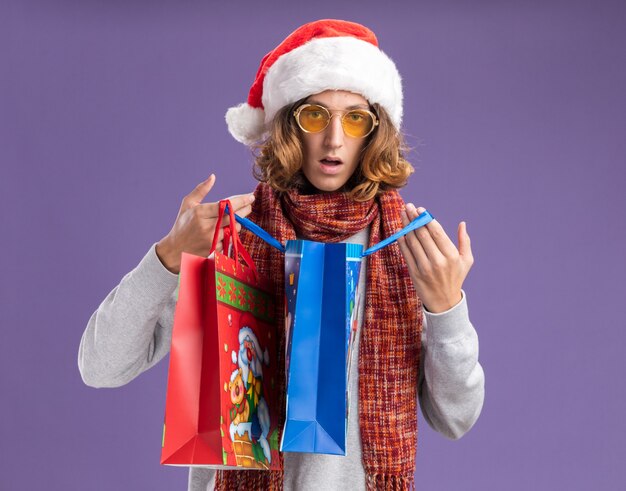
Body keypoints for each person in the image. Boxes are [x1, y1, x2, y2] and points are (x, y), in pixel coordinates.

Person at [79, 19, 484, 491]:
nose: (334, 139)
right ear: (289, 124)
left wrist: (446, 308)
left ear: (374, 132)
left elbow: (456, 418)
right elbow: (100, 367)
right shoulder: (232, 238)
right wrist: (168, 257)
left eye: (355, 118)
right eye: (315, 115)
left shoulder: (406, 248)